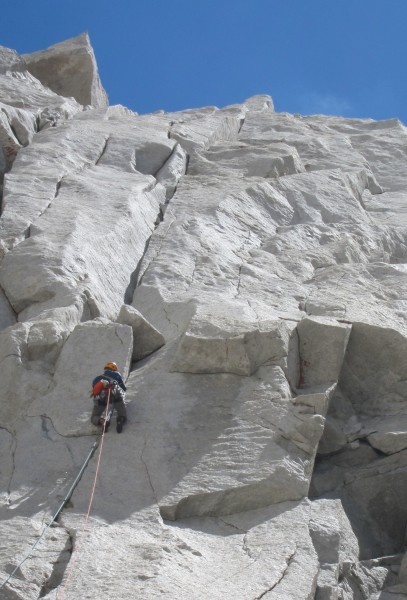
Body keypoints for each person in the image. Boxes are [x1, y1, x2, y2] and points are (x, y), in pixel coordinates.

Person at [91, 362, 127, 433]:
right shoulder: (117, 374)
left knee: (94, 416)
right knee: (121, 412)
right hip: (115, 394)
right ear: (114, 369)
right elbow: (124, 388)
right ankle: (120, 420)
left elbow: (94, 389)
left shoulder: (97, 379)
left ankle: (102, 421)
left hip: (101, 397)